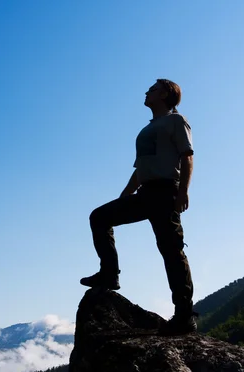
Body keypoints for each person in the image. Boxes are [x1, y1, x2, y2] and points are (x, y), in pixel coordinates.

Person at [80, 78, 197, 335]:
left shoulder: (176, 121)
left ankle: (184, 316)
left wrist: (183, 192)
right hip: (145, 194)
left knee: (171, 252)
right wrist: (125, 196)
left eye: (153, 89)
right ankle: (109, 274)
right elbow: (140, 169)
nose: (147, 92)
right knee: (99, 217)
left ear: (166, 94)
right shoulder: (148, 129)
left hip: (166, 192)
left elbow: (187, 157)